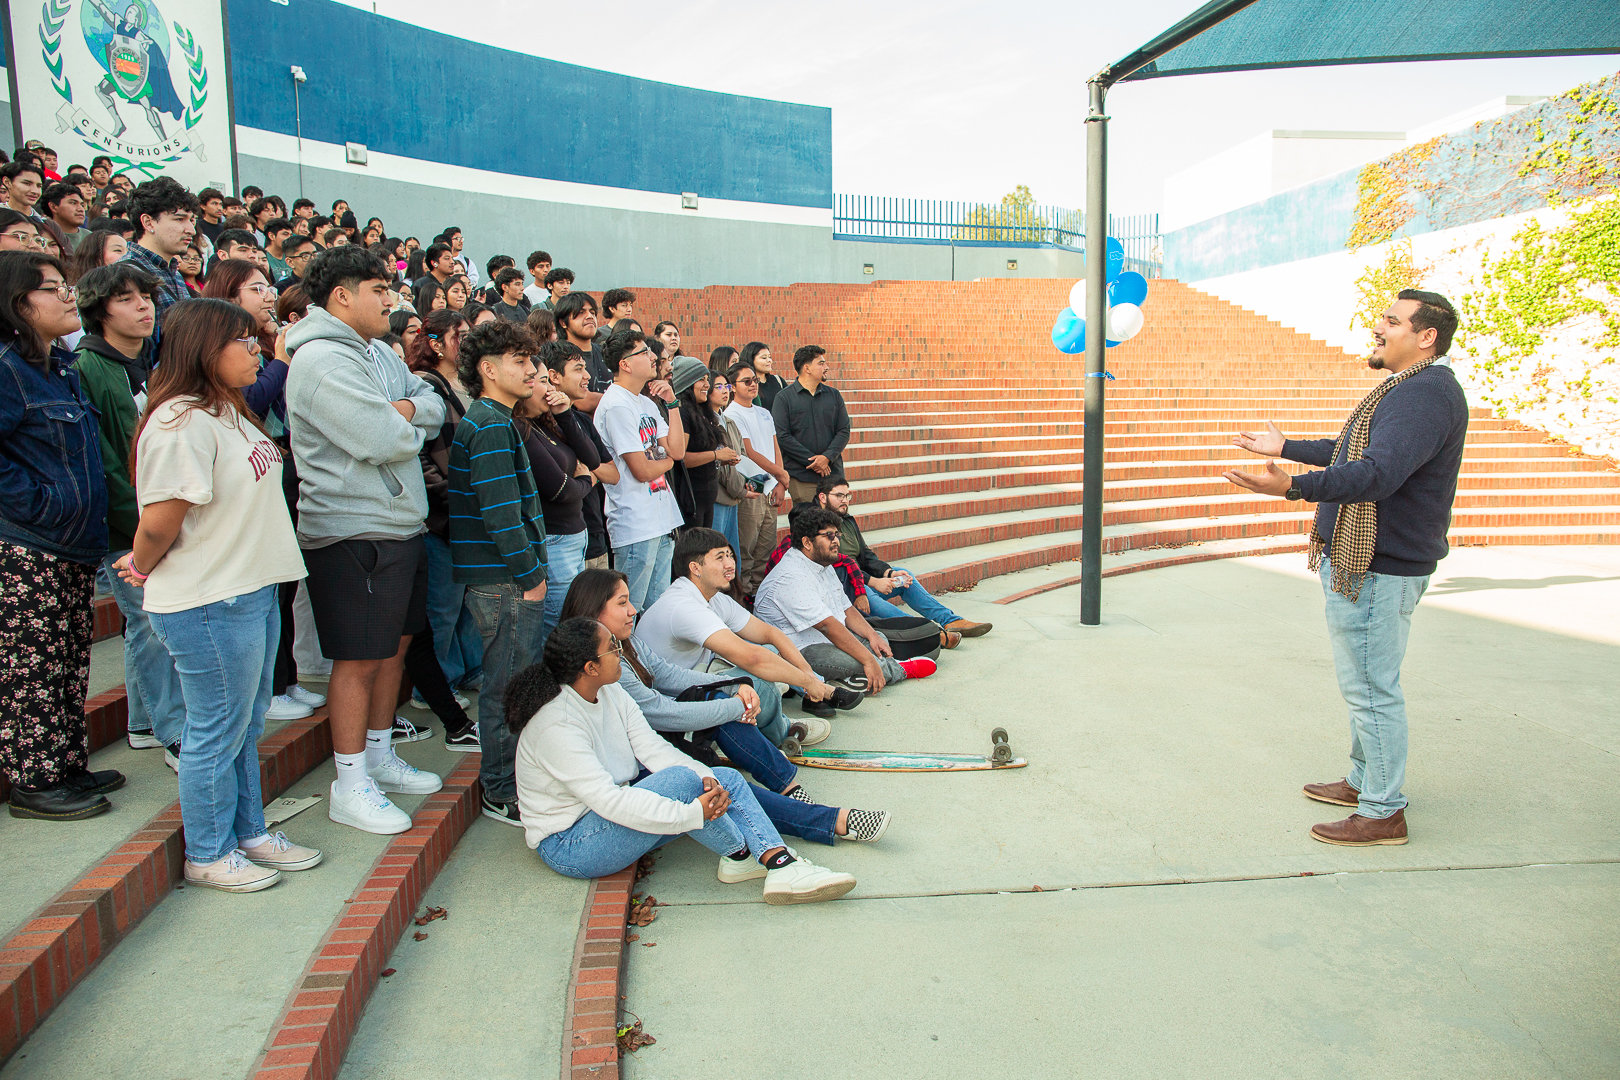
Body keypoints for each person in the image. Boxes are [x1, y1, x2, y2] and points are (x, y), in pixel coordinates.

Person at [1226, 289, 1469, 847]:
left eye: (1391, 320)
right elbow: (1353, 448)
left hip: (1379, 567)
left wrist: (1292, 487)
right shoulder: (1414, 388)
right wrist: (1288, 446)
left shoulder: (1424, 394)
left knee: (1371, 688)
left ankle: (1384, 810)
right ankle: (1365, 782)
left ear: (1425, 335)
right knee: (1368, 681)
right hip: (1375, 564)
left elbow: (1379, 473)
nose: (1378, 328)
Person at [118, 299, 320, 891]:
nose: (258, 349)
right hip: (210, 601)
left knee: (242, 725)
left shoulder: (226, 409)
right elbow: (160, 521)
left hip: (250, 589)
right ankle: (207, 852)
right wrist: (143, 562)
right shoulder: (179, 422)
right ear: (206, 349)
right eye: (243, 341)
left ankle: (248, 832)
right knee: (215, 730)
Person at [509, 617, 859, 903]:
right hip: (571, 844)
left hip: (605, 815)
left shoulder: (609, 690)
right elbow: (609, 801)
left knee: (721, 778)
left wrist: (709, 782)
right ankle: (779, 865)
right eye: (613, 649)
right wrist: (692, 813)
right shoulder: (557, 726)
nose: (621, 651)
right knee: (687, 783)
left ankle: (757, 860)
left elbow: (652, 748)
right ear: (589, 667)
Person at [286, 246, 447, 835]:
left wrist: (402, 407)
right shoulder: (321, 361)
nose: (391, 299)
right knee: (358, 658)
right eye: (378, 289)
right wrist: (404, 416)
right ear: (340, 297)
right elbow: (385, 440)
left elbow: (432, 405)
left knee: (395, 647)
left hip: (400, 521)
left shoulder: (379, 352)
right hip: (351, 528)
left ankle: (378, 753)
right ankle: (349, 782)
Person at [561, 570, 889, 844]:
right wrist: (734, 705)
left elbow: (669, 675)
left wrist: (731, 689)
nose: (634, 609)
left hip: (654, 745)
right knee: (726, 779)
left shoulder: (624, 643)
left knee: (729, 699)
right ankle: (828, 820)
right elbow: (662, 712)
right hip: (638, 770)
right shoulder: (602, 664)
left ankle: (790, 788)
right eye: (623, 603)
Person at [0, 250, 124, 820]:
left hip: (70, 543)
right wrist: (41, 506)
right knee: (32, 662)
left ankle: (65, 762)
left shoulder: (60, 367)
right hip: (28, 544)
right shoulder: (6, 368)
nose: (67, 295)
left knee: (70, 657)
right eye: (52, 288)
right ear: (17, 303)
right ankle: (34, 780)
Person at [72, 262, 188, 756]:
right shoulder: (87, 367)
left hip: (155, 515)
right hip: (127, 524)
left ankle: (142, 722)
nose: (143, 306)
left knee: (150, 621)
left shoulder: (152, 362)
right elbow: (103, 462)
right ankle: (173, 731)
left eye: (146, 295)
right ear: (98, 312)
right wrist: (145, 530)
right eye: (126, 299)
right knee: (148, 621)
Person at [446, 319, 550, 825]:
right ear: (488, 370)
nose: (531, 369)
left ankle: (511, 778)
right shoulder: (488, 424)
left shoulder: (496, 418)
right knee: (506, 685)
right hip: (504, 582)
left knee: (514, 681)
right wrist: (530, 576)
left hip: (506, 579)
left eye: (531, 359)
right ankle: (500, 788)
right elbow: (500, 515)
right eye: (519, 361)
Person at [636, 529, 853, 724]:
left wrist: (810, 678)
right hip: (668, 697)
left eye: (729, 555)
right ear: (695, 568)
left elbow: (770, 633)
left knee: (768, 653)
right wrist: (808, 681)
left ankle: (818, 691)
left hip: (697, 676)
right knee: (756, 678)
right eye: (720, 558)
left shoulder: (714, 598)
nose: (730, 564)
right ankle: (785, 729)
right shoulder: (683, 606)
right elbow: (752, 659)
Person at [402, 308, 482, 750]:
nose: (467, 342)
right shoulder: (427, 386)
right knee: (443, 607)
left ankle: (467, 668)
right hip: (444, 516)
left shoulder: (465, 386)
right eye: (460, 335)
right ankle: (433, 683)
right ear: (435, 342)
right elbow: (422, 456)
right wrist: (452, 494)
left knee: (468, 600)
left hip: (467, 514)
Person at [755, 508, 940, 695]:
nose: (835, 540)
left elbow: (846, 608)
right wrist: (868, 660)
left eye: (837, 534)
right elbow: (826, 626)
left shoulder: (822, 563)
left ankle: (850, 679)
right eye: (828, 535)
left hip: (828, 637)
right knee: (859, 659)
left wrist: (871, 635)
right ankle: (899, 670)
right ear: (807, 542)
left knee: (878, 640)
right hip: (800, 651)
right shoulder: (792, 576)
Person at [815, 477, 991, 638]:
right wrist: (872, 582)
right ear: (823, 497)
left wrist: (888, 573)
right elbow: (835, 565)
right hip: (846, 588)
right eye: (839, 495)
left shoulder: (848, 520)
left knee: (903, 574)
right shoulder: (818, 527)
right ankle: (929, 632)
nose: (845, 500)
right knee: (870, 596)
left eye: (847, 495)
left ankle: (951, 621)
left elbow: (866, 555)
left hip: (863, 581)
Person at [522, 342, 612, 637]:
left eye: (549, 381)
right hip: (554, 539)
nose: (548, 390)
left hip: (577, 536)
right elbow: (561, 490)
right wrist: (585, 481)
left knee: (576, 622)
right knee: (560, 627)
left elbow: (593, 459)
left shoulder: (550, 422)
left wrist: (563, 413)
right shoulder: (521, 428)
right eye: (541, 381)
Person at [593, 328, 685, 611]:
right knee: (629, 611)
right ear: (625, 363)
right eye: (644, 352)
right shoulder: (616, 404)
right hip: (635, 524)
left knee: (657, 610)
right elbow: (642, 470)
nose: (653, 357)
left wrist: (671, 402)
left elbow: (678, 450)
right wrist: (666, 461)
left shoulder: (645, 402)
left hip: (661, 518)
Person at [724, 359, 790, 597]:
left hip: (772, 486)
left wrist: (781, 482)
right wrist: (779, 475)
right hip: (753, 485)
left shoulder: (763, 412)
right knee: (747, 548)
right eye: (746, 381)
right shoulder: (731, 414)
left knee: (766, 548)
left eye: (755, 380)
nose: (753, 384)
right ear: (732, 386)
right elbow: (748, 453)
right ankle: (743, 597)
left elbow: (775, 448)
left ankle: (759, 597)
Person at [772, 345, 850, 506]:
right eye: (821, 363)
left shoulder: (834, 395)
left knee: (834, 526)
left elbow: (843, 430)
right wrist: (814, 462)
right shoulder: (784, 398)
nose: (826, 367)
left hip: (832, 475)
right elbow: (782, 436)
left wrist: (827, 457)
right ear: (807, 368)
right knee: (807, 525)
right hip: (802, 476)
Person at [671, 356, 738, 531]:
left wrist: (723, 459)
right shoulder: (682, 412)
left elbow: (703, 454)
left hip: (708, 497)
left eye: (707, 379)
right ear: (687, 382)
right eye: (701, 379)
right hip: (691, 499)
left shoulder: (703, 412)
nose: (707, 385)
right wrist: (716, 455)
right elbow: (681, 458)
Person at [121, 177, 196, 325]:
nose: (191, 230)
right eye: (179, 219)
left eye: (191, 220)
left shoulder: (173, 270)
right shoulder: (127, 274)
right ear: (148, 223)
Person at [708, 371, 745, 560]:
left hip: (734, 496)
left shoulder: (729, 421)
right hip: (719, 497)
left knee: (732, 553)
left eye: (728, 387)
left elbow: (742, 456)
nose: (725, 391)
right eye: (719, 386)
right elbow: (722, 467)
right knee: (718, 553)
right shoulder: (708, 422)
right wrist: (741, 490)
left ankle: (734, 591)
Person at [740, 341, 787, 412]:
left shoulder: (778, 380)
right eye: (764, 358)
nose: (769, 361)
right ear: (751, 360)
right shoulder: (747, 385)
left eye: (769, 357)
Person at [41, 182, 89, 251]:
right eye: (73, 203)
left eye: (82, 205)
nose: (81, 209)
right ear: (53, 207)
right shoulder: (42, 237)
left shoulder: (91, 238)